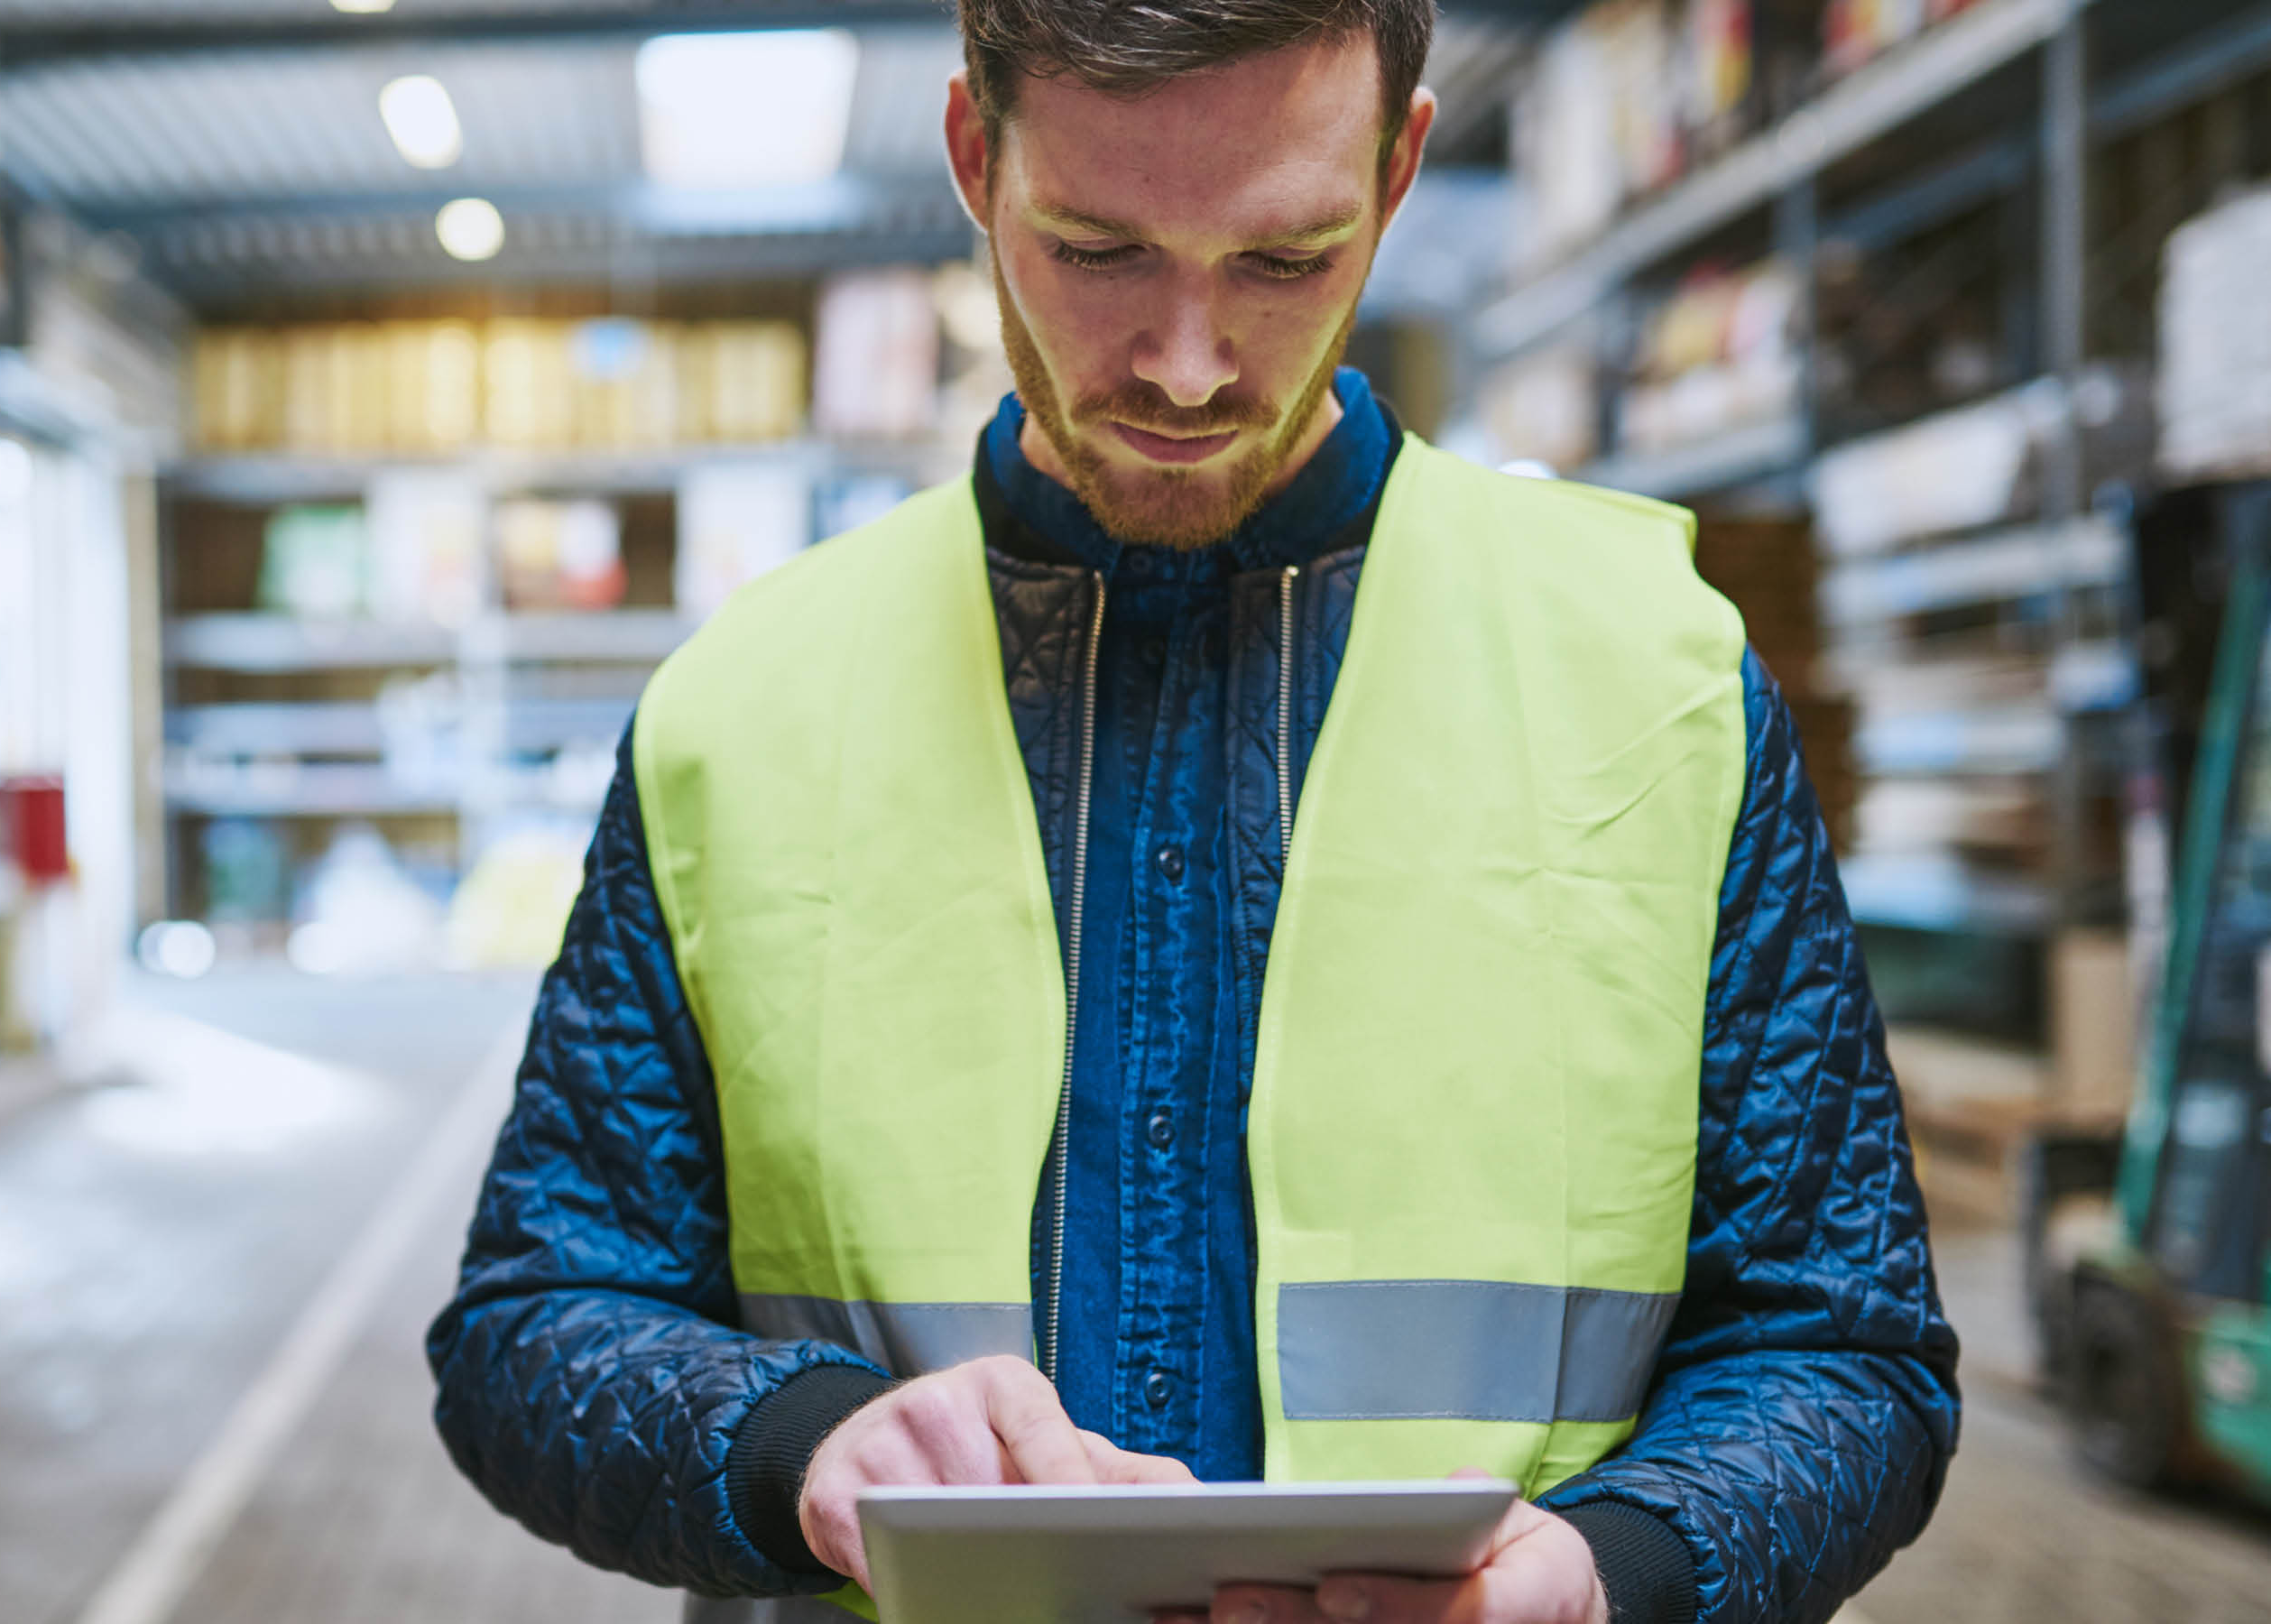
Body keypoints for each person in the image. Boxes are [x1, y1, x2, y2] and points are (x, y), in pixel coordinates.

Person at [429, 2, 1960, 1620]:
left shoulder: (1662, 686)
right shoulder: (737, 713)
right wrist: (796, 1442)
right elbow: (537, 1317)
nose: (1185, 364)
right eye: (1096, 251)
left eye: (1283, 260)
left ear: (1399, 170)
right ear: (974, 157)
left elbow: (1840, 1342)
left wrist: (1617, 1571)